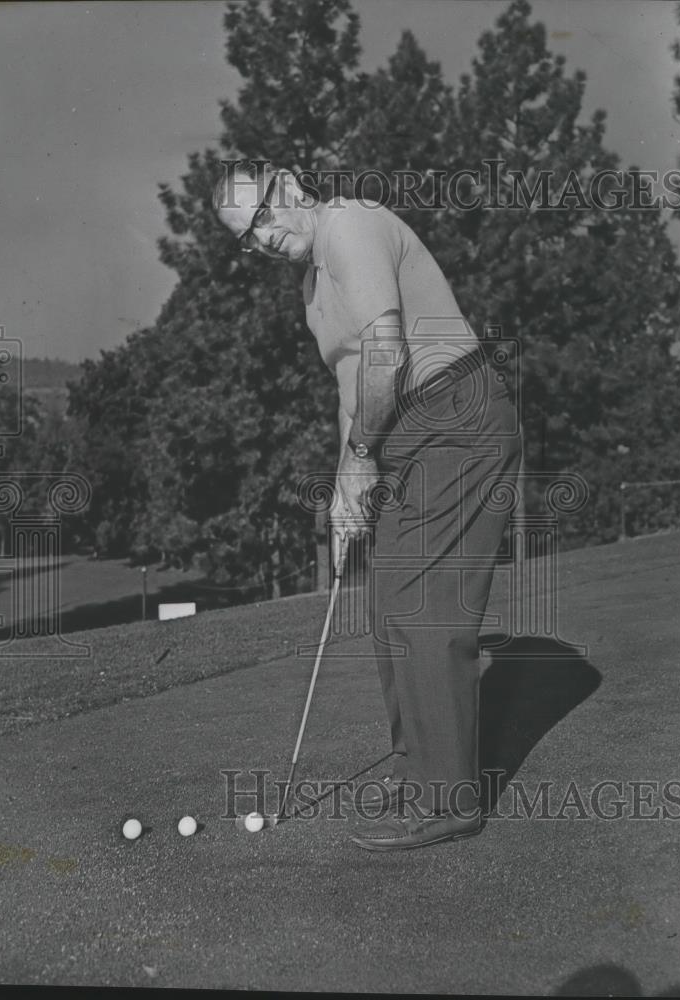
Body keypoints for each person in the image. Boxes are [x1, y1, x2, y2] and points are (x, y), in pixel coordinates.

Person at [213, 161, 521, 851]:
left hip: (456, 415)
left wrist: (360, 458)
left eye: (261, 214)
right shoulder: (312, 283)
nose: (259, 237)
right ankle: (423, 769)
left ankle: (446, 800)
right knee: (388, 605)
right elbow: (352, 382)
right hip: (400, 432)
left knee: (419, 604)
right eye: (245, 234)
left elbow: (388, 348)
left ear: (290, 185)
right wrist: (346, 482)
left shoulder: (348, 224)